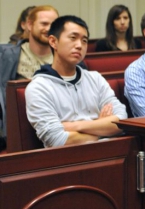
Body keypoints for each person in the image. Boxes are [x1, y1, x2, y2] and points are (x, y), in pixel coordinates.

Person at [25, 16, 127, 147]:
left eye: (84, 40)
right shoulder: (39, 87)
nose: (79, 45)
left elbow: (122, 121)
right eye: (73, 38)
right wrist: (102, 126)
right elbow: (57, 140)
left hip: (107, 155)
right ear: (53, 42)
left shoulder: (95, 79)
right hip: (67, 161)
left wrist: (74, 126)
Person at [0, 5, 59, 150]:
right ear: (29, 25)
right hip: (18, 125)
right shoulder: (6, 54)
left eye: (54, 24)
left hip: (56, 120)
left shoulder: (64, 57)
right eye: (44, 24)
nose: (49, 28)